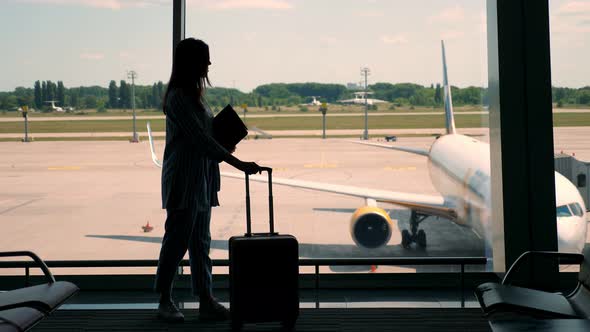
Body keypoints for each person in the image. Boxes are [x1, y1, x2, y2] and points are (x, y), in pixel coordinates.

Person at [154, 38, 262, 323]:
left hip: (200, 180)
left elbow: (206, 137)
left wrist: (225, 140)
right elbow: (200, 140)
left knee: (200, 242)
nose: (209, 64)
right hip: (183, 180)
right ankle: (164, 299)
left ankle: (205, 298)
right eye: (205, 58)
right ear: (192, 62)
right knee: (177, 241)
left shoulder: (193, 96)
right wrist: (236, 162)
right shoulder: (178, 98)